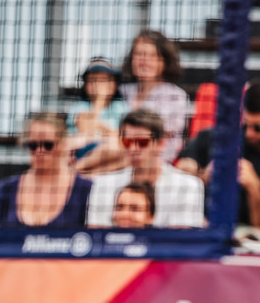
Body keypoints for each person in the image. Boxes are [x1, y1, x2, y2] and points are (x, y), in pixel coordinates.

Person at [176, 82, 260, 227]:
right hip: (202, 224)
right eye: (246, 124)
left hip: (247, 232)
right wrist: (203, 176)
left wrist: (254, 186)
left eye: (258, 127)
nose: (250, 133)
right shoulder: (216, 138)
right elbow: (181, 172)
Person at [87, 109, 204, 228]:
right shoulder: (103, 184)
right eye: (127, 142)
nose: (133, 149)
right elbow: (97, 237)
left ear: (160, 144)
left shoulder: (188, 186)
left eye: (142, 142)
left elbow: (182, 240)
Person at [0, 112, 92, 229]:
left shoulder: (84, 189)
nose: (39, 150)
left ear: (63, 145)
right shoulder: (5, 188)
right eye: (33, 145)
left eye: (48, 145)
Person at [119, 30, 189, 164]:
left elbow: (162, 137)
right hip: (119, 154)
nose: (143, 61)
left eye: (152, 56)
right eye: (139, 54)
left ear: (165, 62)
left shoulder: (176, 96)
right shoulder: (122, 91)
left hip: (156, 161)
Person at [67, 56, 128, 167]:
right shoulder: (79, 106)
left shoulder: (121, 107)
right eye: (92, 80)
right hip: (82, 150)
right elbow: (85, 130)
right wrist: (99, 101)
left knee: (115, 146)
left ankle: (78, 168)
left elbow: (123, 136)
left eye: (103, 80)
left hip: (111, 154)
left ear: (114, 84)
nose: (97, 85)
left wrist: (99, 127)